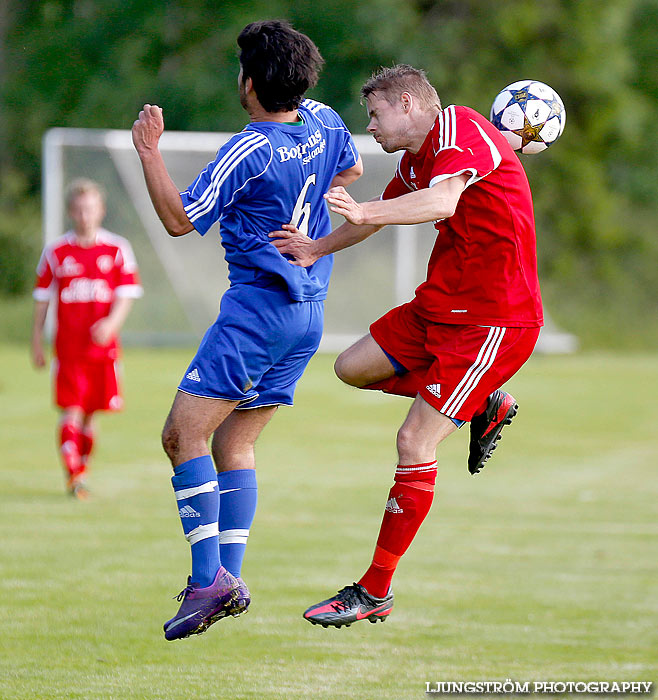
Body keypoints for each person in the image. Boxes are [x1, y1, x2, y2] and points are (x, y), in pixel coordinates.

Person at [271, 64, 543, 628]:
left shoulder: (463, 126)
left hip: (493, 320)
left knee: (415, 441)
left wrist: (366, 209)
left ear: (410, 104)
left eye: (375, 114)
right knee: (351, 367)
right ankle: (483, 401)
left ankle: (374, 589)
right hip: (440, 307)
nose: (369, 126)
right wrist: (315, 248)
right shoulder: (417, 158)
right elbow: (376, 220)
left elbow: (441, 203)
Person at [131, 20, 362, 641]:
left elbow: (181, 220)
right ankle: (229, 579)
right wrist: (304, 216)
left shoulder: (250, 148)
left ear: (251, 82)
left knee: (182, 435)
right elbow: (352, 171)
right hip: (307, 315)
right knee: (236, 444)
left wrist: (150, 152)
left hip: (257, 315)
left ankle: (209, 578)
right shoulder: (322, 119)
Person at [31, 178, 143, 499]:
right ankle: (74, 475)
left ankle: (81, 467)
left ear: (101, 210)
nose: (84, 215)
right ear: (70, 212)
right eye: (79, 210)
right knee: (72, 410)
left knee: (91, 414)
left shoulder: (117, 248)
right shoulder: (56, 252)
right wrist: (37, 341)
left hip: (103, 350)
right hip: (69, 349)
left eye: (90, 209)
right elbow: (42, 299)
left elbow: (126, 295)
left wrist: (111, 323)